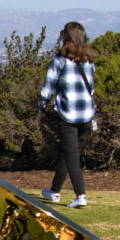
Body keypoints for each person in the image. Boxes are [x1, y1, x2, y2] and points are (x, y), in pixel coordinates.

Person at [40, 22, 97, 210]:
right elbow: (91, 88)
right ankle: (54, 190)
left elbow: (48, 88)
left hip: (68, 112)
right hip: (86, 113)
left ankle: (81, 195)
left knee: (71, 153)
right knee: (67, 150)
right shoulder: (89, 61)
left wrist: (41, 108)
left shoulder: (60, 60)